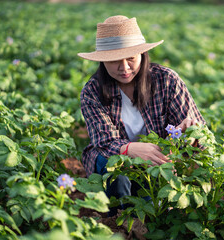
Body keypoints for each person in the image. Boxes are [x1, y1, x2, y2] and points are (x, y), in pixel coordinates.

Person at [78, 15, 205, 215]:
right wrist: (130, 148)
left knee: (153, 210)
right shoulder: (93, 91)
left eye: (130, 58)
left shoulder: (167, 80)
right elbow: (103, 141)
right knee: (117, 176)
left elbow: (201, 134)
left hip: (156, 163)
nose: (125, 68)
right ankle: (115, 220)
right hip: (113, 158)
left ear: (142, 55)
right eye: (114, 61)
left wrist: (190, 133)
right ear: (102, 61)